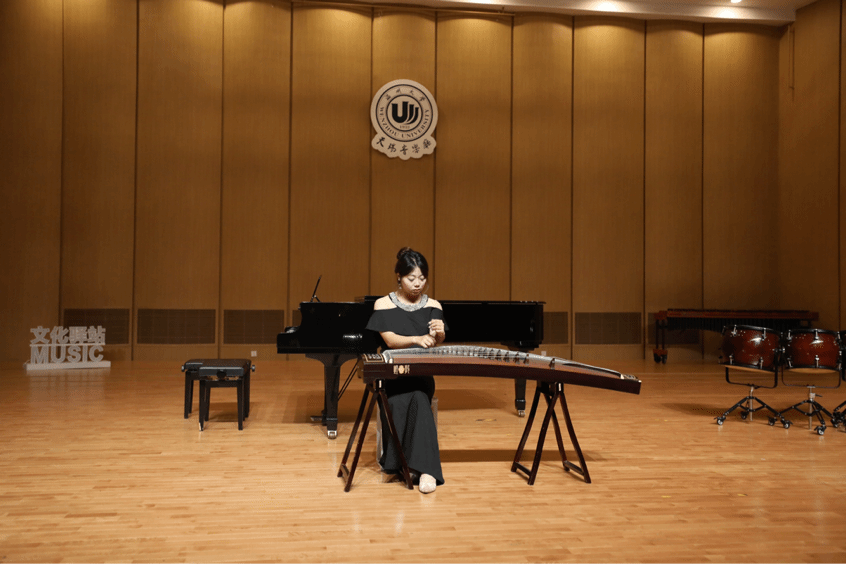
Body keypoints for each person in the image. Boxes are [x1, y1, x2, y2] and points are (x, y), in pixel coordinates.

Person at [365, 247, 446, 494]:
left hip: (420, 375)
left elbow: (436, 341)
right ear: (399, 277)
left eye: (422, 278)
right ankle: (408, 464)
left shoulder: (433, 305)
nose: (417, 284)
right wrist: (416, 338)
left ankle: (425, 470)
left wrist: (440, 333)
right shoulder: (383, 304)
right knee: (404, 400)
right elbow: (389, 340)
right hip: (393, 376)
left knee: (420, 396)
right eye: (411, 278)